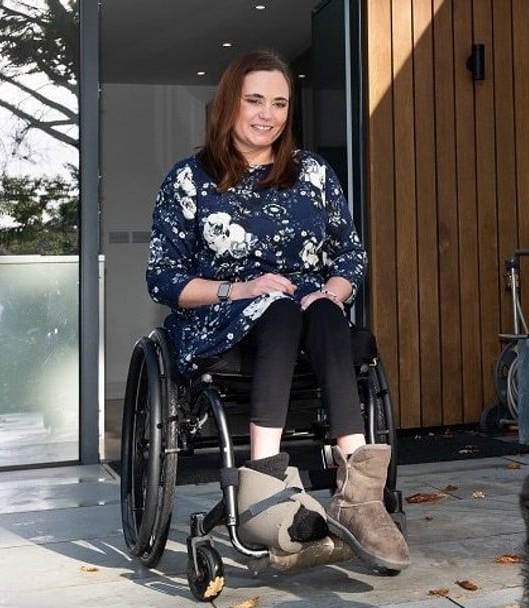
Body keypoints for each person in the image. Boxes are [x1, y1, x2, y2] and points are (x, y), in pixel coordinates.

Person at [146, 50, 408, 571]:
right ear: (230, 104)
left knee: (326, 311)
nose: (268, 114)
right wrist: (242, 289)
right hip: (224, 319)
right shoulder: (189, 180)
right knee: (279, 310)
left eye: (280, 103)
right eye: (255, 100)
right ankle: (264, 484)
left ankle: (358, 493)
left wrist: (332, 291)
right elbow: (164, 278)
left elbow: (349, 255)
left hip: (309, 319)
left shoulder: (312, 173)